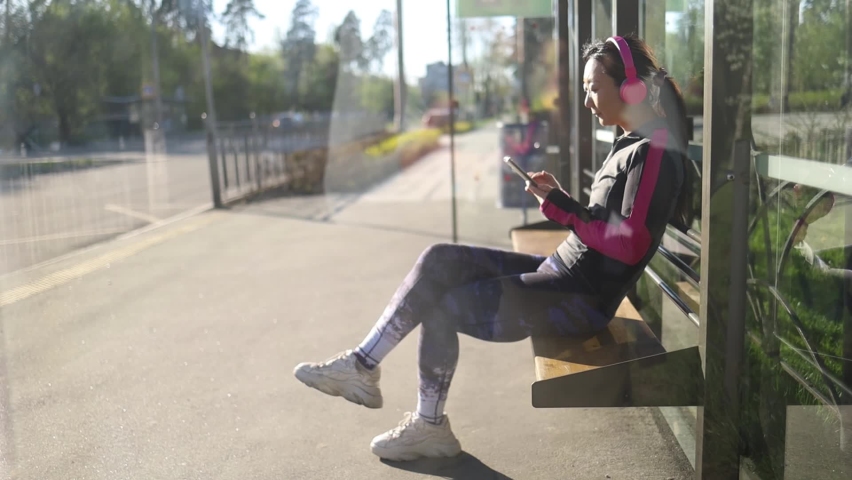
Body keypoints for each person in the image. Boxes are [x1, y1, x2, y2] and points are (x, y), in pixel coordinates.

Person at [293, 34, 695, 462]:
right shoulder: (631, 144)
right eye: (584, 91)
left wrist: (564, 210)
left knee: (442, 305)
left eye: (593, 88)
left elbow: (630, 244)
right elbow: (605, 221)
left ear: (630, 88)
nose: (587, 101)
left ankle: (429, 428)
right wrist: (563, 200)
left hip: (581, 302)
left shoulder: (654, 153)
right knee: (439, 260)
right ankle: (362, 365)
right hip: (561, 274)